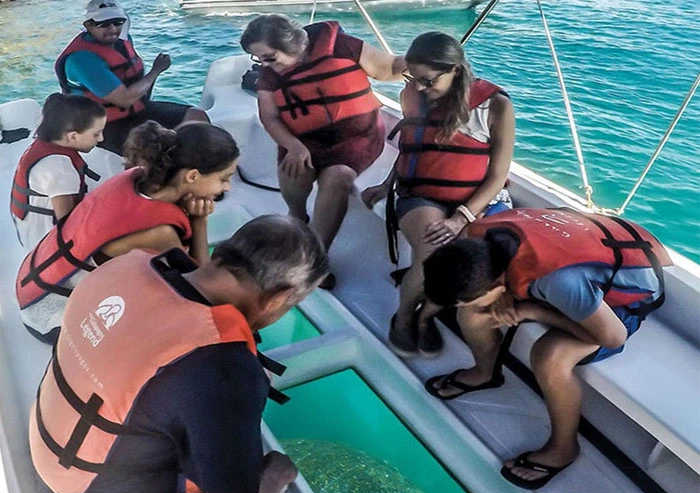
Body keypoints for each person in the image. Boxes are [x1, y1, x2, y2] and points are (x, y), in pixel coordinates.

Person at [28, 216, 366, 493]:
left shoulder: (128, 266)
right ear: (277, 298)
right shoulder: (221, 367)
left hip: (45, 450)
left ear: (222, 253)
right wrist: (278, 472)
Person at [421, 208, 672, 489]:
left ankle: (563, 449)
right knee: (473, 313)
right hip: (583, 260)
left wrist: (533, 312)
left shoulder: (559, 281)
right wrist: (506, 294)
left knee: (549, 356)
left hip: (623, 303)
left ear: (496, 283)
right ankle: (484, 373)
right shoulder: (478, 234)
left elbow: (613, 337)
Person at [362, 32, 515, 358]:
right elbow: (412, 148)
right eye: (412, 78)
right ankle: (402, 318)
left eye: (428, 81)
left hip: (477, 200)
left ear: (455, 71)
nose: (418, 87)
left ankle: (425, 316)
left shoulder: (495, 107)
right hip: (420, 195)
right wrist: (385, 184)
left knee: (481, 262)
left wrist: (463, 216)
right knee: (434, 249)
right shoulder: (412, 95)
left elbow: (498, 176)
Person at [16, 121, 237, 344]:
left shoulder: (137, 179)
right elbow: (200, 292)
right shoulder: (159, 233)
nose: (227, 188)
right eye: (224, 178)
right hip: (51, 319)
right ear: (192, 176)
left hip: (32, 290)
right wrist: (199, 222)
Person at [240, 15, 406, 289]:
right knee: (295, 167)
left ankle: (314, 258)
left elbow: (389, 69)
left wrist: (431, 61)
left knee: (338, 177)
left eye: (269, 57)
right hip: (304, 138)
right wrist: (293, 145)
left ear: (290, 44)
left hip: (357, 137)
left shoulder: (344, 47)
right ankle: (297, 214)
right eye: (259, 60)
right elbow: (270, 117)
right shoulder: (271, 74)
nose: (265, 66)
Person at [55, 0, 209, 155]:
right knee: (156, 146)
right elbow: (124, 99)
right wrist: (156, 70)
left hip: (135, 112)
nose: (112, 29)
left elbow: (136, 84)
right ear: (88, 25)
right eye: (103, 24)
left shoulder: (122, 41)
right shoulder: (82, 59)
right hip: (101, 126)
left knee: (197, 117)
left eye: (118, 22)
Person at [10, 93, 106, 249]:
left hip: (29, 230)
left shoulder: (46, 145)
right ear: (73, 136)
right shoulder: (57, 167)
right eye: (96, 133)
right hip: (45, 246)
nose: (100, 138)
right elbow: (66, 225)